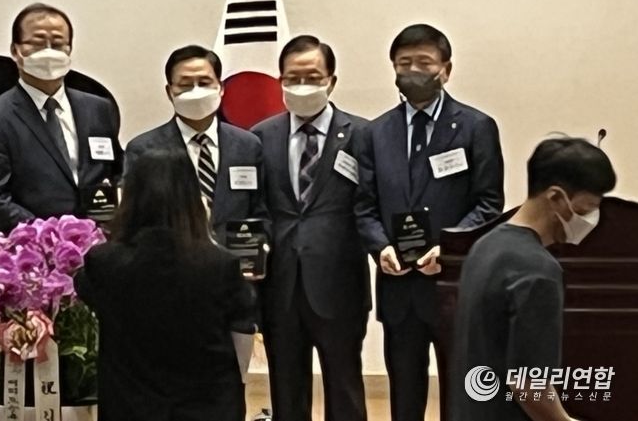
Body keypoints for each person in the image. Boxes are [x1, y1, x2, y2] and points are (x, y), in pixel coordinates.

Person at [356, 23, 505, 421]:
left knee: (462, 394)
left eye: (424, 62)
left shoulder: (476, 127)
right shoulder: (374, 133)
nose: (413, 71)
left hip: (454, 286)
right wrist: (380, 248)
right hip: (399, 286)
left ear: (446, 69)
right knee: (404, 394)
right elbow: (364, 206)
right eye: (404, 63)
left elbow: (489, 204)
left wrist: (451, 250)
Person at [74, 148, 255, 421]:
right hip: (206, 408)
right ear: (194, 198)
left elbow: (84, 289)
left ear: (130, 197)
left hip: (128, 408)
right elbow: (243, 328)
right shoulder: (220, 265)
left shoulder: (103, 263)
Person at [452, 137, 615, 421]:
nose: (590, 220)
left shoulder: (485, 245)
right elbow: (529, 385)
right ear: (556, 197)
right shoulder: (537, 271)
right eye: (586, 209)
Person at [251, 35, 371, 421]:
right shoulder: (260, 137)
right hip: (280, 284)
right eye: (293, 78)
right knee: (286, 389)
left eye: (313, 77)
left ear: (331, 81)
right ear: (280, 81)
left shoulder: (363, 135)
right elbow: (256, 208)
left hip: (340, 283)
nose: (303, 86)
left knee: (345, 385)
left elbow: (370, 206)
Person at [0, 2, 123, 231]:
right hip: (36, 244)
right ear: (15, 51)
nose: (49, 51)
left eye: (58, 44)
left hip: (100, 239)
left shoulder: (98, 108)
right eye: (38, 43)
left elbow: (117, 170)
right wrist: (47, 235)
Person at [125, 45, 269, 242]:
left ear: (221, 88)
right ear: (169, 92)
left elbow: (261, 211)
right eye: (185, 85)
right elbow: (135, 220)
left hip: (235, 257)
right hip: (171, 257)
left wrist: (258, 244)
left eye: (204, 82)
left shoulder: (248, 145)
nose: (196, 91)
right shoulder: (143, 150)